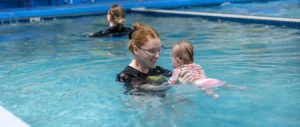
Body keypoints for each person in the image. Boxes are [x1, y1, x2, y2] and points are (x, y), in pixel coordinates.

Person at [116, 22, 194, 97]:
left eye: (159, 50)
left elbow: (176, 76)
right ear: (136, 50)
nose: (157, 55)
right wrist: (176, 83)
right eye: (152, 51)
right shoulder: (126, 76)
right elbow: (143, 88)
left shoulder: (158, 70)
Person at [168, 41, 247, 99]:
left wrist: (169, 83)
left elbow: (171, 83)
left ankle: (213, 95)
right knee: (225, 85)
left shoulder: (178, 70)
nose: (172, 62)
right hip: (209, 80)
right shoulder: (197, 65)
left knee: (205, 89)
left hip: (199, 83)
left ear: (178, 61)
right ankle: (237, 87)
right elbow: (203, 75)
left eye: (172, 60)